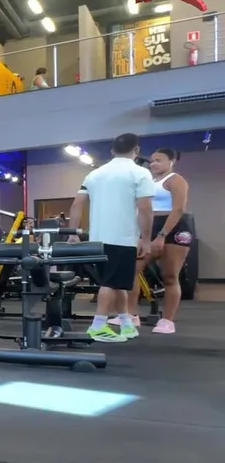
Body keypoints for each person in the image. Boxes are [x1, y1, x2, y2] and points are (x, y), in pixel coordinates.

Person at [67, 133, 157, 343]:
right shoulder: (140, 172)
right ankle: (98, 326)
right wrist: (146, 239)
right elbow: (145, 208)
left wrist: (73, 234)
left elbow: (76, 205)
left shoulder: (94, 174)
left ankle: (125, 322)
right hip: (122, 238)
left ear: (112, 151)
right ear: (136, 150)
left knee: (117, 282)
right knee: (110, 283)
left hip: (97, 240)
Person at [115, 148, 190, 334]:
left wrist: (162, 235)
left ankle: (167, 321)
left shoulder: (175, 180)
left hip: (173, 228)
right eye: (152, 161)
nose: (154, 164)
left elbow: (178, 209)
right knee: (132, 270)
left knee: (170, 275)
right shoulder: (149, 182)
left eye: (159, 160)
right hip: (150, 226)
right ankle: (131, 315)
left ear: (172, 161)